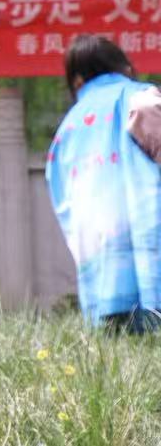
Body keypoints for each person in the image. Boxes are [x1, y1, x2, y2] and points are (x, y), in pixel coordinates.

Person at [48, 35, 161, 333]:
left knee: (118, 347)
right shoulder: (139, 98)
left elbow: (61, 196)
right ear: (125, 68)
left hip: (101, 271)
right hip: (152, 252)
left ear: (77, 81)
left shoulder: (67, 129)